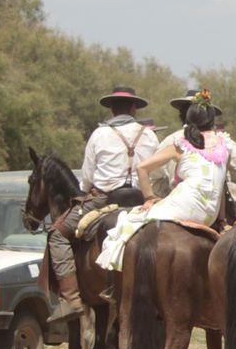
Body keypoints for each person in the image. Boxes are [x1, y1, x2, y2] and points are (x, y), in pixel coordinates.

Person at [47, 85, 159, 349]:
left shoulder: (99, 134)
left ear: (111, 109)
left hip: (104, 200)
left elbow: (86, 178)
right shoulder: (149, 135)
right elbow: (160, 172)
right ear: (134, 109)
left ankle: (71, 298)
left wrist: (89, 191)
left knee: (57, 234)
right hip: (143, 200)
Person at [96, 96, 229, 273]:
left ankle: (114, 279)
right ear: (212, 121)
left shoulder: (181, 144)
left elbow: (142, 168)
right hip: (209, 213)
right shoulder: (224, 144)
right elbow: (224, 186)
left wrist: (150, 198)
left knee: (130, 221)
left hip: (184, 205)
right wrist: (222, 219)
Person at [151, 87, 236, 202]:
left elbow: (153, 174)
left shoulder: (171, 140)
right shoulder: (222, 141)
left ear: (182, 115)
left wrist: (167, 197)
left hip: (178, 203)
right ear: (209, 117)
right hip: (216, 206)